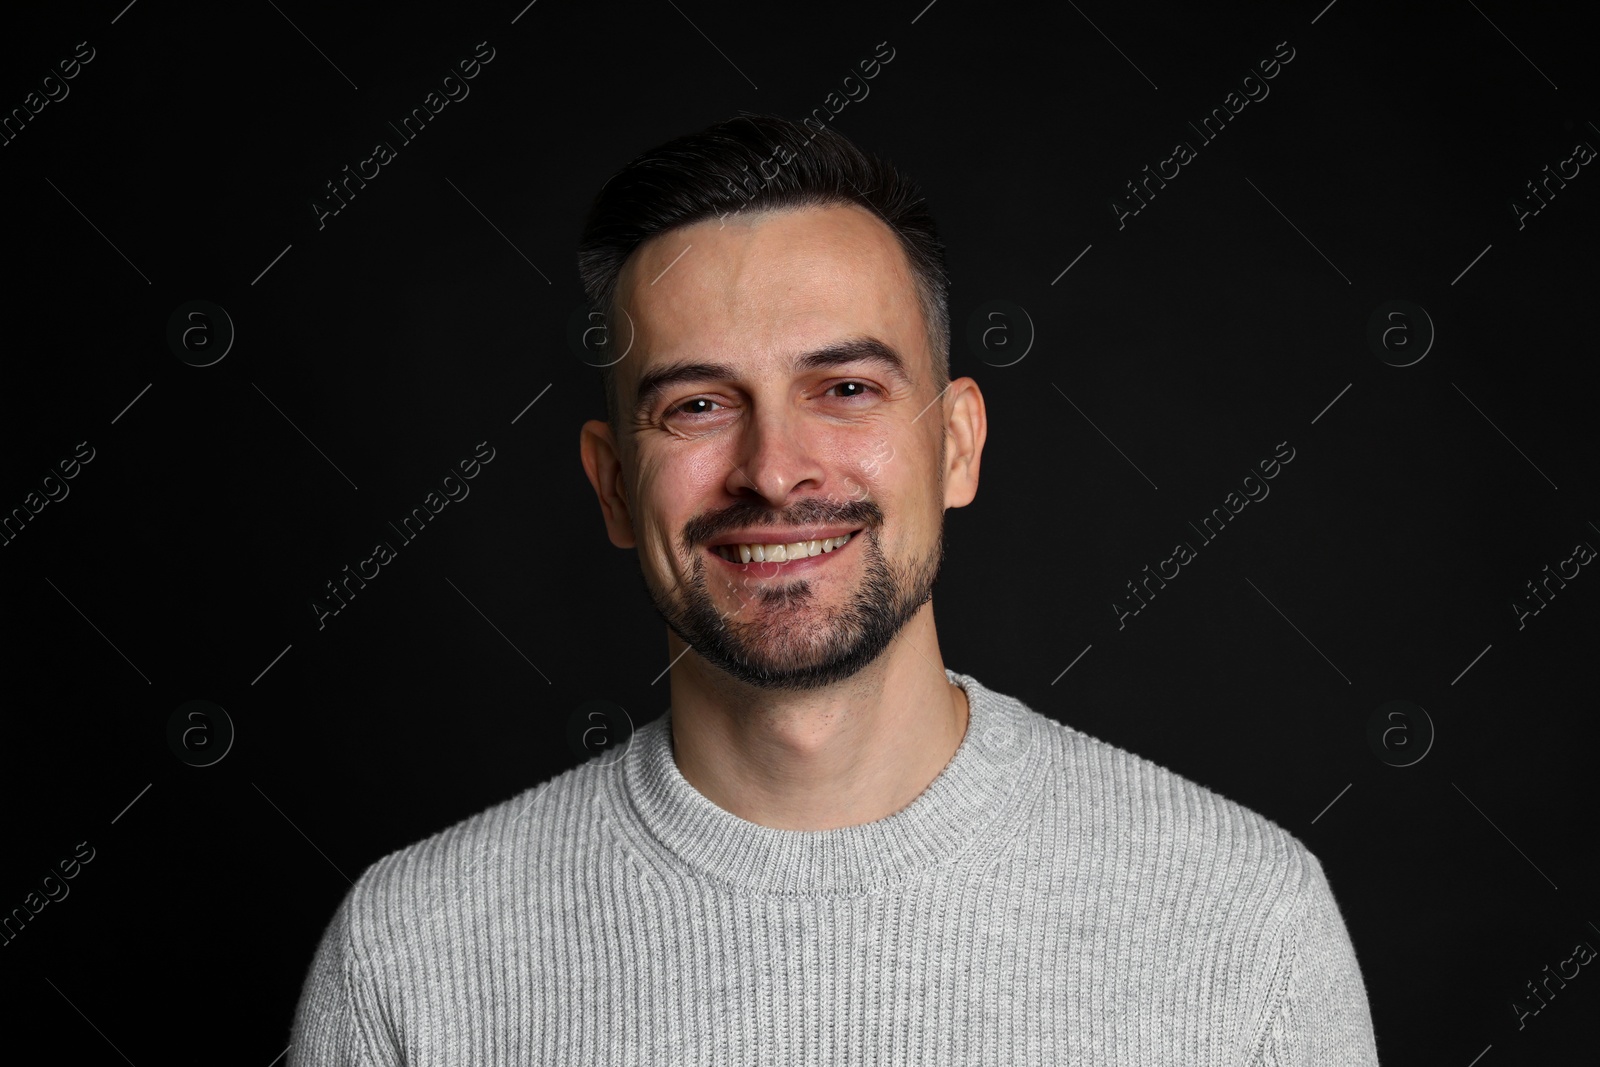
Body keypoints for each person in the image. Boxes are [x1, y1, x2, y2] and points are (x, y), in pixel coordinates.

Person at [288, 113, 1381, 1065]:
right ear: (614, 485)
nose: (774, 467)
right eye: (699, 405)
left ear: (955, 446)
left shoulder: (1243, 920)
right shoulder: (413, 951)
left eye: (845, 387)